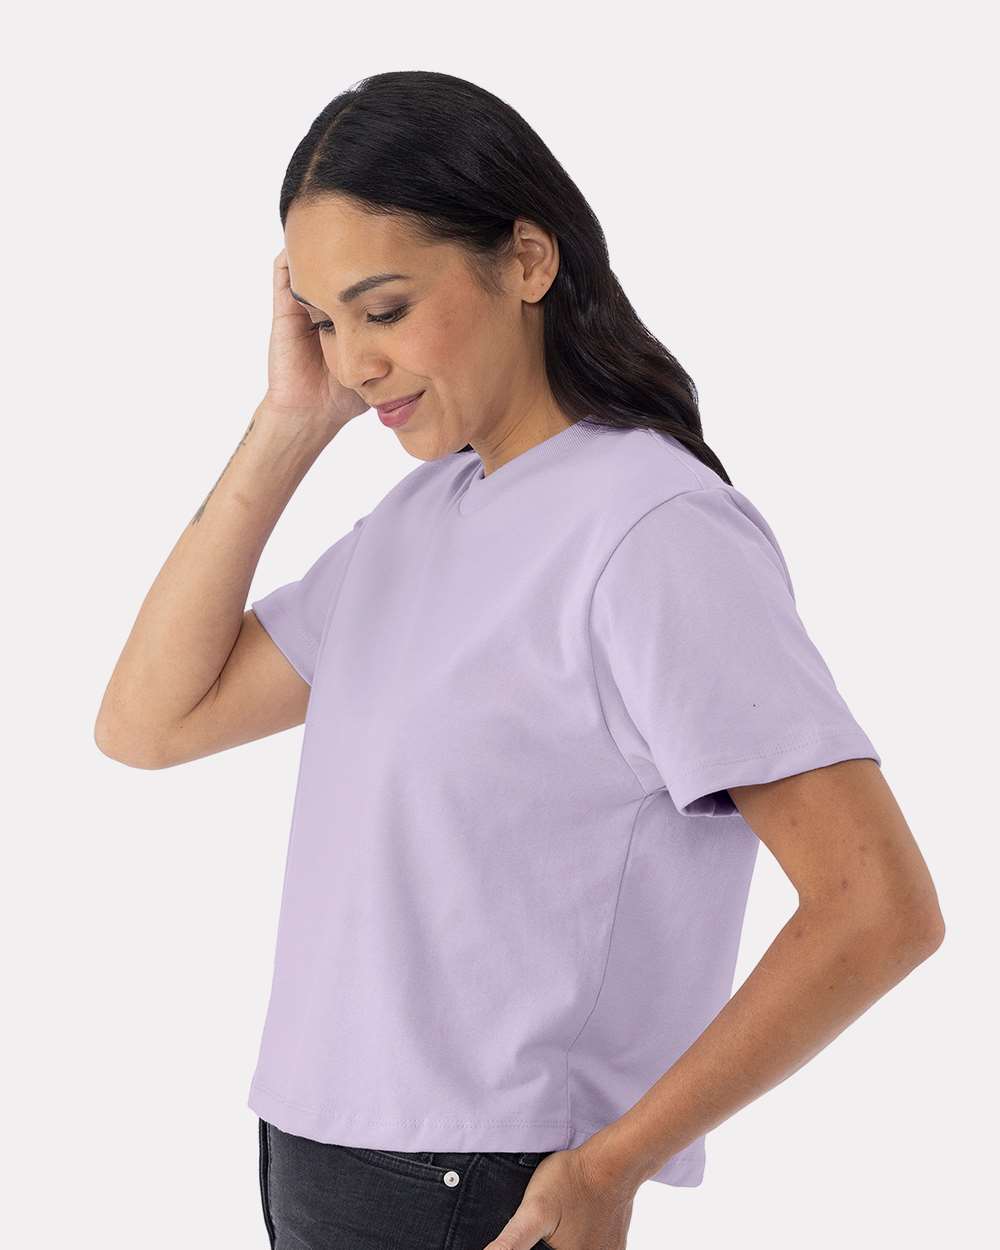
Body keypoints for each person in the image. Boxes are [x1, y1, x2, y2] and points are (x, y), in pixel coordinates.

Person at [94, 71, 945, 1250]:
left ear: (527, 260)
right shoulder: (424, 515)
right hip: (317, 1158)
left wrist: (611, 1163)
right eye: (327, 322)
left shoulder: (652, 529)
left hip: (479, 1185)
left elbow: (878, 907)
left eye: (384, 309)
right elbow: (148, 723)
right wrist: (290, 421)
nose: (355, 362)